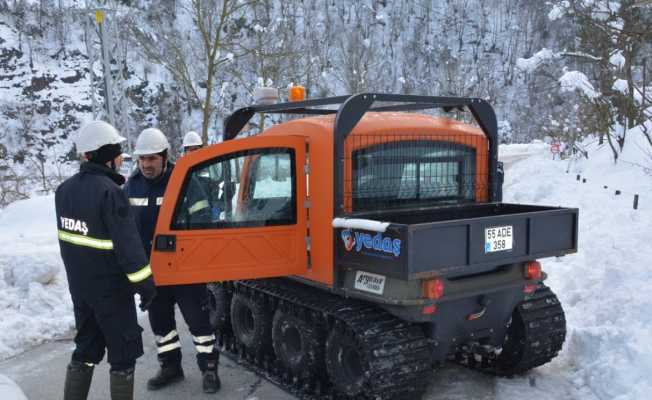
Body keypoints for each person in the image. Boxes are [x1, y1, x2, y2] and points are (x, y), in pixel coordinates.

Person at [56, 121, 156, 400]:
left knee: (85, 351)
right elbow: (129, 249)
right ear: (106, 154)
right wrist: (146, 287)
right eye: (118, 152)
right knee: (123, 357)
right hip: (111, 293)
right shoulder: (111, 192)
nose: (122, 158)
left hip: (81, 292)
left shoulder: (63, 191)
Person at [123, 128, 220, 393]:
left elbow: (203, 222)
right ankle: (170, 367)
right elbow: (124, 227)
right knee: (161, 324)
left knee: (199, 324)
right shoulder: (131, 186)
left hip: (185, 269)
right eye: (142, 159)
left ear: (164, 157)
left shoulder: (185, 181)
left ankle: (209, 369)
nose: (146, 164)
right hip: (153, 272)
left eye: (152, 158)